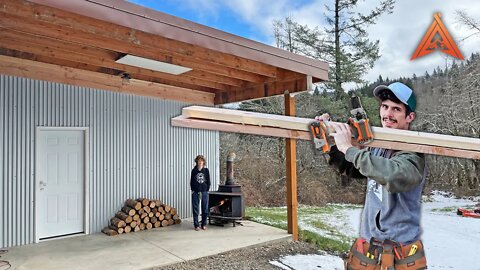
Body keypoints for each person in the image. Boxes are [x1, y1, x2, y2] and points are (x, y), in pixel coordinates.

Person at [318, 82, 427, 269]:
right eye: (385, 107)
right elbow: (351, 168)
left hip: (400, 253)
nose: (388, 114)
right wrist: (330, 143)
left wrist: (349, 149)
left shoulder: (413, 154)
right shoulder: (378, 147)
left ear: (410, 116)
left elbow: (393, 176)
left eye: (396, 109)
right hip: (369, 249)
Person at [190, 155, 211, 231]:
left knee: (205, 208)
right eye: (199, 161)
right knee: (195, 209)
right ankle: (196, 225)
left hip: (204, 191)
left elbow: (208, 181)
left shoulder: (206, 170)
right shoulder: (194, 171)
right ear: (197, 162)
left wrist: (207, 189)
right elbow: (191, 181)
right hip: (195, 192)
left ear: (203, 162)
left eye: (201, 161)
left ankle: (204, 224)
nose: (200, 162)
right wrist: (192, 190)